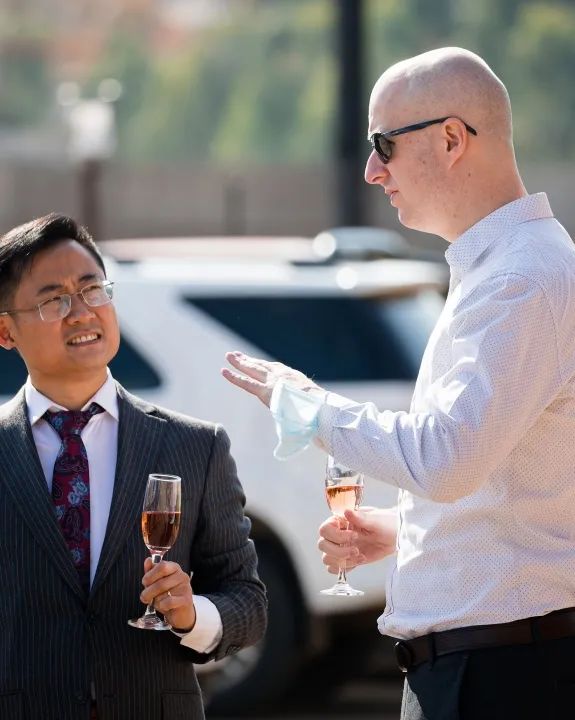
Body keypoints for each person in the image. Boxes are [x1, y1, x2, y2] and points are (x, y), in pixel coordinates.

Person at [222, 46, 575, 719]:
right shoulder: (508, 267)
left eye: (383, 143)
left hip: (499, 674)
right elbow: (517, 486)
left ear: (451, 139)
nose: (371, 169)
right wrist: (404, 529)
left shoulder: (519, 278)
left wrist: (306, 405)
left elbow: (444, 459)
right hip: (494, 665)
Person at [0, 213, 266, 720]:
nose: (81, 313)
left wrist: (192, 614)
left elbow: (247, 602)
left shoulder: (195, 446)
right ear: (5, 330)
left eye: (92, 290)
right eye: (54, 300)